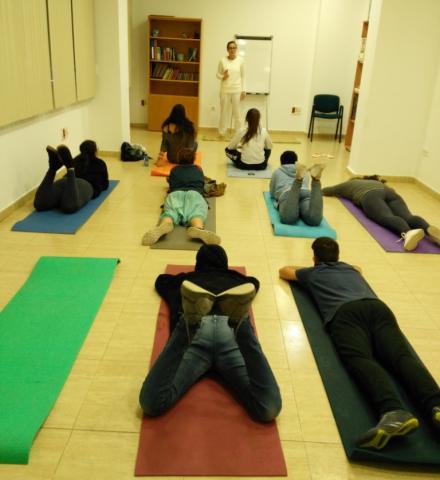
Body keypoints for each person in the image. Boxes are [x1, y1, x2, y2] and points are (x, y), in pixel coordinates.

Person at [279, 237, 440, 450]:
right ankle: (435, 404)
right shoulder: (351, 270)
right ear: (338, 256)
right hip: (378, 308)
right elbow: (359, 266)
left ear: (314, 257)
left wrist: (313, 267)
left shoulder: (312, 273)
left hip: (345, 314)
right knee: (402, 358)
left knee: (361, 359)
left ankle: (394, 411)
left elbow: (285, 271)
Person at [139, 244, 282, 423]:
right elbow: (254, 282)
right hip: (229, 331)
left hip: (196, 334)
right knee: (268, 408)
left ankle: (186, 325)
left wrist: (187, 277)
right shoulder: (240, 281)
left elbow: (161, 280)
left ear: (198, 264)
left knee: (151, 404)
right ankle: (242, 325)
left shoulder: (184, 282)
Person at [322, 176, 440, 251]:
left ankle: (407, 232)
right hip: (390, 193)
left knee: (386, 217)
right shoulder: (377, 183)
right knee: (408, 217)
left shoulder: (349, 184)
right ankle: (428, 228)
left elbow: (329, 190)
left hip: (369, 195)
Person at [141, 148, 220, 246]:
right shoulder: (198, 170)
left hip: (175, 194)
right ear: (193, 159)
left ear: (178, 160)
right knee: (197, 212)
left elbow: (171, 184)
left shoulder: (174, 170)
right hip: (194, 194)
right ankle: (197, 227)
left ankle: (166, 224)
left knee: (170, 213)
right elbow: (201, 185)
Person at [34, 143, 108, 214]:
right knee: (69, 207)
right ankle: (70, 168)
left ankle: (53, 168)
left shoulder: (76, 159)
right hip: (83, 185)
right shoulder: (100, 163)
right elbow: (105, 184)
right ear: (95, 151)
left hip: (65, 181)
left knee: (39, 204)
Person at [270, 150, 326, 226]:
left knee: (288, 219)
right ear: (296, 162)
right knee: (314, 220)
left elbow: (272, 193)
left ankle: (298, 180)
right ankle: (316, 181)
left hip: (287, 194)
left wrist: (277, 197)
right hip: (305, 194)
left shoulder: (277, 172)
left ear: (281, 162)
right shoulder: (304, 172)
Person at [217, 40, 245, 138]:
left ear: (236, 49)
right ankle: (221, 133)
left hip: (237, 90)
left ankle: (239, 134)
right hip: (225, 90)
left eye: (234, 48)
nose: (232, 50)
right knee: (224, 113)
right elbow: (217, 74)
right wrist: (222, 77)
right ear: (227, 50)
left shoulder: (240, 61)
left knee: (237, 114)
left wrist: (243, 90)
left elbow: (243, 76)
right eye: (230, 48)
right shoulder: (222, 60)